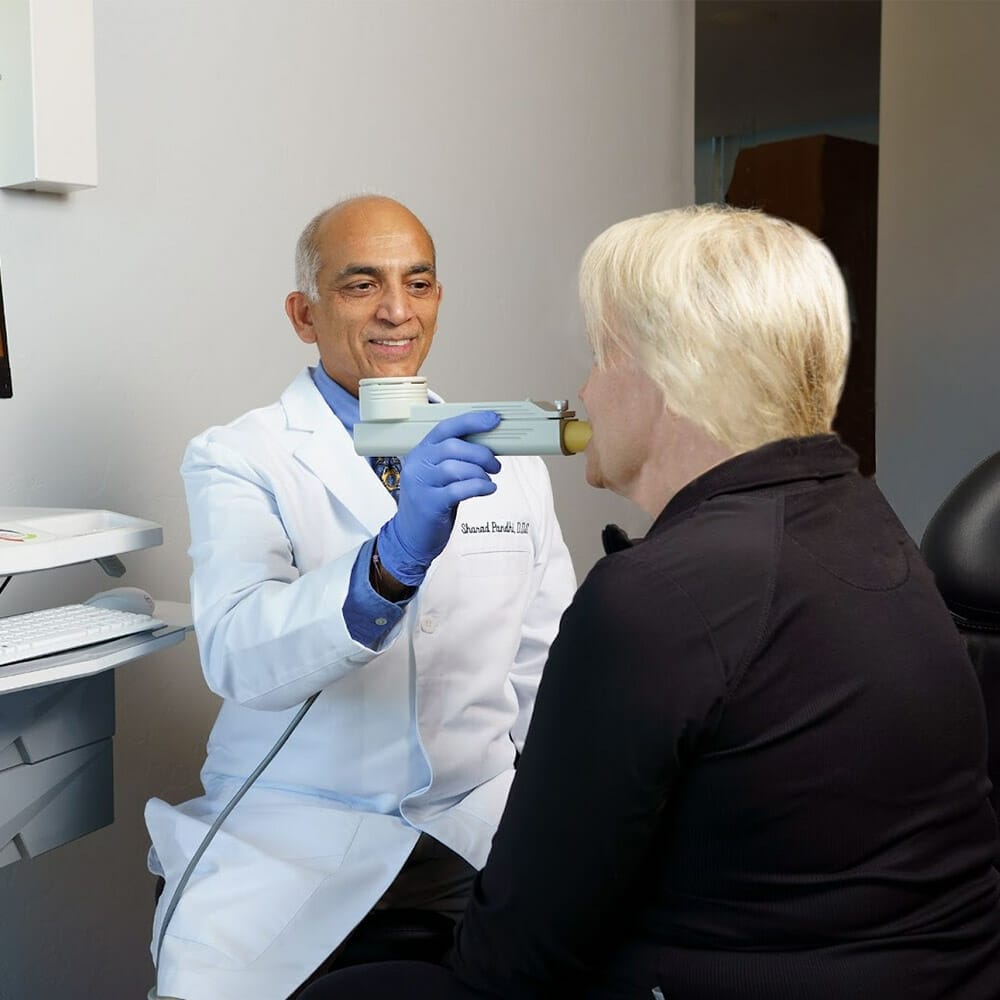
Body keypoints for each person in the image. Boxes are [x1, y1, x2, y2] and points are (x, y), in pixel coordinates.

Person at [299, 204, 1000, 999]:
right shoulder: (865, 523)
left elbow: (510, 964)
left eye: (602, 358)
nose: (585, 390)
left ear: (670, 373)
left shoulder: (658, 598)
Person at [144, 195, 576, 1000]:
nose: (396, 311)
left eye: (419, 283)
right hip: (289, 831)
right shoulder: (243, 456)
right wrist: (386, 567)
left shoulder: (511, 460)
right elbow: (237, 654)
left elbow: (543, 672)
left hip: (473, 817)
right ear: (303, 314)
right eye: (360, 286)